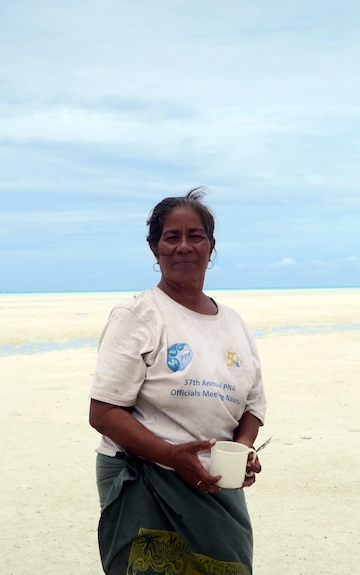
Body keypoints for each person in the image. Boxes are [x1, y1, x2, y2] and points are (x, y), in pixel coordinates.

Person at [89, 187, 267, 574]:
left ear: (211, 246)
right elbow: (103, 412)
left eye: (195, 236)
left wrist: (244, 449)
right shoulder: (138, 315)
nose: (184, 246)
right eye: (172, 237)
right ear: (155, 249)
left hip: (216, 482)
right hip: (144, 477)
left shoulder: (233, 323)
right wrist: (170, 456)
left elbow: (252, 406)